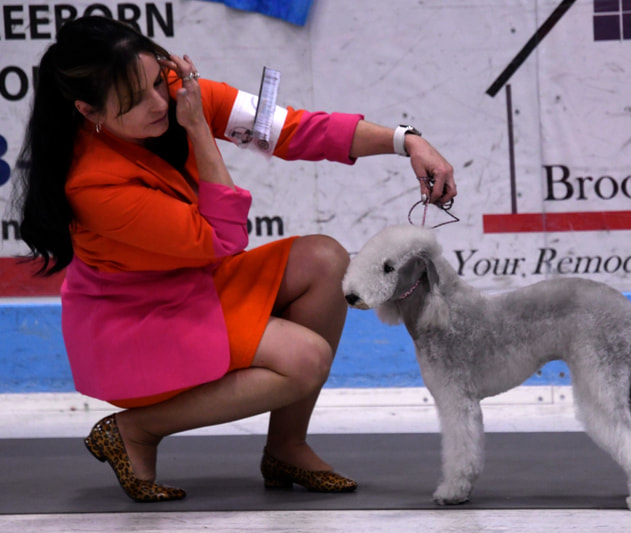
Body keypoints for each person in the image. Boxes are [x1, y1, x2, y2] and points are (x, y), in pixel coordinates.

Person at [13, 16, 456, 502]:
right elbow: (224, 238)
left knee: (326, 260)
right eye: (136, 101)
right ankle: (136, 430)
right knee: (305, 361)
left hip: (193, 284)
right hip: (135, 325)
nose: (160, 102)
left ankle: (287, 447)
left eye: (159, 82)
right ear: (86, 110)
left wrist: (405, 140)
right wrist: (198, 126)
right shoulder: (94, 183)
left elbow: (287, 129)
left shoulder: (178, 91)